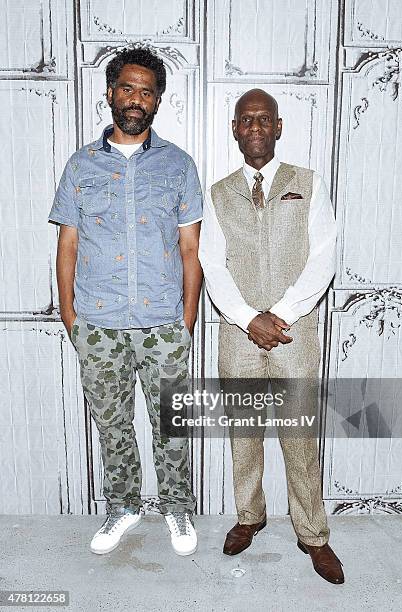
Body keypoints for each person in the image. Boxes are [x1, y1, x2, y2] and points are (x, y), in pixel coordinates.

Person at [48, 46, 203, 557]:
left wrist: (184, 322)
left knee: (170, 423)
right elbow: (67, 245)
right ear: (110, 94)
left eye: (147, 91)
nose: (136, 99)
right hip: (100, 324)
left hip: (162, 324)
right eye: (128, 88)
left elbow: (190, 250)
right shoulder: (81, 165)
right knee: (112, 424)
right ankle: (124, 505)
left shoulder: (179, 165)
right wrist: (72, 319)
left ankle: (177, 506)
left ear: (157, 101)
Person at [199, 89, 344, 584]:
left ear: (278, 127)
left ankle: (313, 535)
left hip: (294, 333)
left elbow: (323, 257)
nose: (255, 127)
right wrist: (246, 317)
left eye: (264, 119)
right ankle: (250, 516)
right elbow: (210, 264)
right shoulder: (217, 193)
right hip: (238, 333)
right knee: (244, 434)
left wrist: (278, 314)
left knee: (300, 436)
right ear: (235, 129)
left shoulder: (308, 183)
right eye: (246, 120)